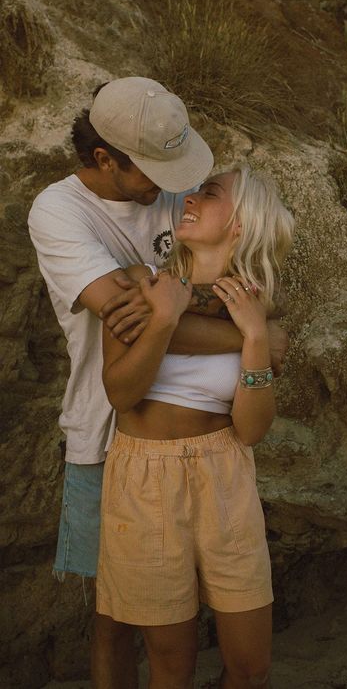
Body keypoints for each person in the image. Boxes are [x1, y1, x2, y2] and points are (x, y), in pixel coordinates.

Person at [28, 76, 289, 689]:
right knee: (116, 621)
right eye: (154, 172)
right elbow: (130, 310)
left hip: (215, 461)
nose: (177, 189)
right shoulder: (60, 211)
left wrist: (201, 313)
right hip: (109, 437)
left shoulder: (175, 193)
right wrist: (252, 334)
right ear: (104, 160)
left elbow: (231, 276)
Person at [96, 164, 295, 688]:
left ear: (241, 223)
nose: (189, 200)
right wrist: (163, 317)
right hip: (145, 479)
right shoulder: (143, 282)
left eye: (208, 194)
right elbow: (120, 393)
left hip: (226, 472)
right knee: (171, 665)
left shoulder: (259, 310)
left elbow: (251, 430)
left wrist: (254, 337)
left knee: (251, 668)